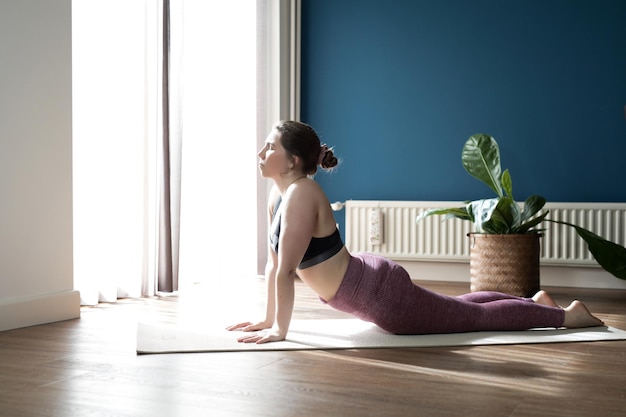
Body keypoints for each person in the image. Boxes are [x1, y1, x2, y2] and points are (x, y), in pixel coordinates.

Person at [226, 120, 604, 344]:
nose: (260, 151)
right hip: (370, 285)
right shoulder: (280, 198)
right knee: (457, 308)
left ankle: (567, 317)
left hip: (380, 297)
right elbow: (274, 267)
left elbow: (288, 271)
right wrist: (267, 318)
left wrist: (280, 331)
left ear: (292, 161)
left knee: (472, 319)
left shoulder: (302, 193)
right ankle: (536, 304)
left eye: (270, 146)